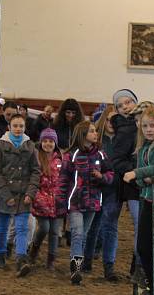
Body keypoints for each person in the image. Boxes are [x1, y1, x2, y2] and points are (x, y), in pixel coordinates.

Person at [123, 107, 154, 295]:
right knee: (143, 247)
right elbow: (144, 180)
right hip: (147, 200)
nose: (149, 130)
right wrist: (144, 178)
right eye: (145, 126)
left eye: (153, 125)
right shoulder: (142, 149)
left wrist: (137, 174)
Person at [61, 120, 114, 284]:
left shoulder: (100, 154)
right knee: (77, 232)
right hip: (76, 200)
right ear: (83, 134)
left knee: (83, 234)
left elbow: (110, 173)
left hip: (93, 201)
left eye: (95, 131)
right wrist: (61, 201)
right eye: (92, 131)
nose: (95, 133)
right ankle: (75, 269)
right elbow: (63, 179)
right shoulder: (72, 155)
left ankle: (77, 263)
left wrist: (102, 177)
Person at [0, 113, 40, 276]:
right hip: (6, 194)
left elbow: (36, 171)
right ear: (9, 127)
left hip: (24, 195)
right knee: (2, 226)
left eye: (21, 126)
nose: (18, 129)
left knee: (22, 227)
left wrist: (30, 193)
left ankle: (20, 259)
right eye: (15, 126)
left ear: (25, 128)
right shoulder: (0, 145)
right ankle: (0, 255)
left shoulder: (30, 146)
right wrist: (6, 195)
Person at [108, 89, 143, 280]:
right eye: (120, 105)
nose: (125, 107)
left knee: (144, 226)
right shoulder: (124, 129)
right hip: (132, 184)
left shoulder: (146, 122)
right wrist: (136, 171)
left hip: (146, 181)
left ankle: (137, 264)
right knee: (139, 225)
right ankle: (137, 265)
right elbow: (117, 160)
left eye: (128, 102)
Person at [83, 105, 119, 279]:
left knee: (110, 225)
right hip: (95, 187)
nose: (112, 123)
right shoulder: (96, 140)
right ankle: (87, 259)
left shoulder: (124, 138)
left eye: (116, 119)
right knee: (93, 225)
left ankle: (108, 265)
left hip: (113, 187)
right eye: (109, 119)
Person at [28, 128, 66, 272]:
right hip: (41, 200)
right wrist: (37, 197)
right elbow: (33, 179)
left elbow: (63, 180)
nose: (48, 144)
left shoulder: (60, 159)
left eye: (51, 141)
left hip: (56, 202)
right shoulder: (37, 158)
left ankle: (51, 260)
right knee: (44, 227)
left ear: (55, 143)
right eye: (45, 141)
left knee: (55, 231)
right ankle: (34, 249)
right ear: (41, 142)